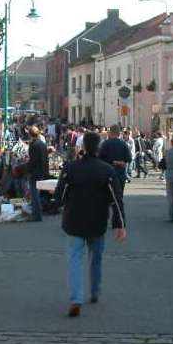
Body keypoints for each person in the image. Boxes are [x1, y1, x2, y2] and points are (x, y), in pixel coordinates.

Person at [53, 132, 126, 317]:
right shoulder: (107, 170)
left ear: (83, 147)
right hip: (98, 220)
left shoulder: (70, 168)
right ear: (99, 148)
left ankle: (76, 298)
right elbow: (116, 199)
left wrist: (58, 204)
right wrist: (120, 224)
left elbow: (59, 196)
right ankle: (94, 291)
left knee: (75, 259)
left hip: (73, 220)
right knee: (96, 258)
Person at [25, 126, 49, 222]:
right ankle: (37, 214)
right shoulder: (43, 144)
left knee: (35, 195)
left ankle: (37, 215)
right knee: (37, 194)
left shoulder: (33, 145)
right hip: (42, 171)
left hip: (35, 172)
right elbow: (46, 159)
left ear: (30, 134)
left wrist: (27, 169)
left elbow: (33, 161)